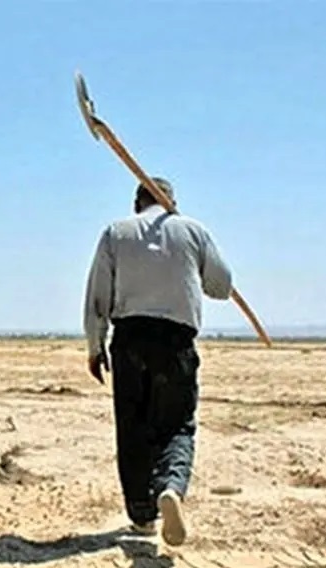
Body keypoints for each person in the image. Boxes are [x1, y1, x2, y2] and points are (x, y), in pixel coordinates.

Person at [82, 177, 234, 545]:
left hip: (130, 341)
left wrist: (94, 345)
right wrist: (189, 256)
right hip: (175, 343)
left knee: (132, 428)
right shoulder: (193, 231)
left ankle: (142, 515)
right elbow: (222, 287)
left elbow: (98, 294)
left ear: (137, 202)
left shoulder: (116, 232)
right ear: (170, 201)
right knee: (176, 426)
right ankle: (170, 488)